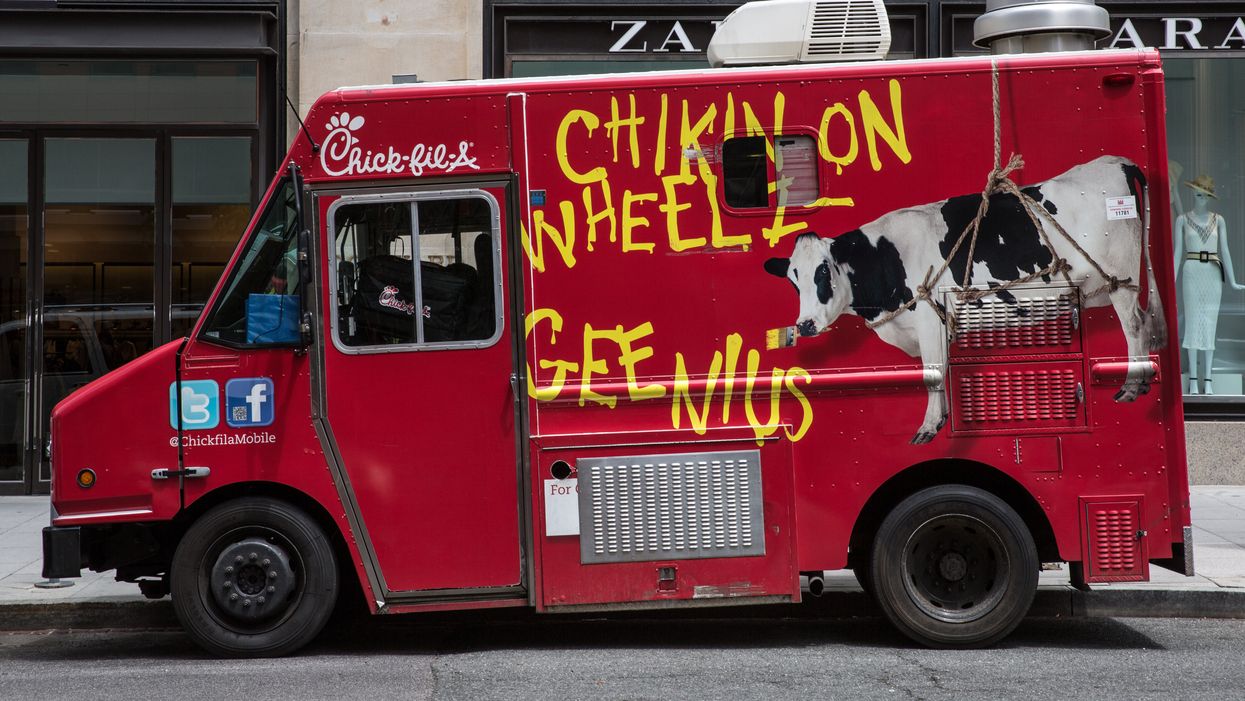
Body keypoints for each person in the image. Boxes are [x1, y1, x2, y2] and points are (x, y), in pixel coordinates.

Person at [1174, 175, 1245, 395]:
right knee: (1194, 322)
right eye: (1198, 194)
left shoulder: (1219, 220)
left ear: (1210, 197)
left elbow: (1225, 251)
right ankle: (1194, 380)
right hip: (1192, 271)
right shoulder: (1183, 220)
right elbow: (1177, 253)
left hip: (1213, 273)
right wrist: (1169, 280)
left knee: (1210, 324)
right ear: (1192, 194)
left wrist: (1232, 281)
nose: (1201, 198)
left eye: (1206, 195)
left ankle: (1209, 379)